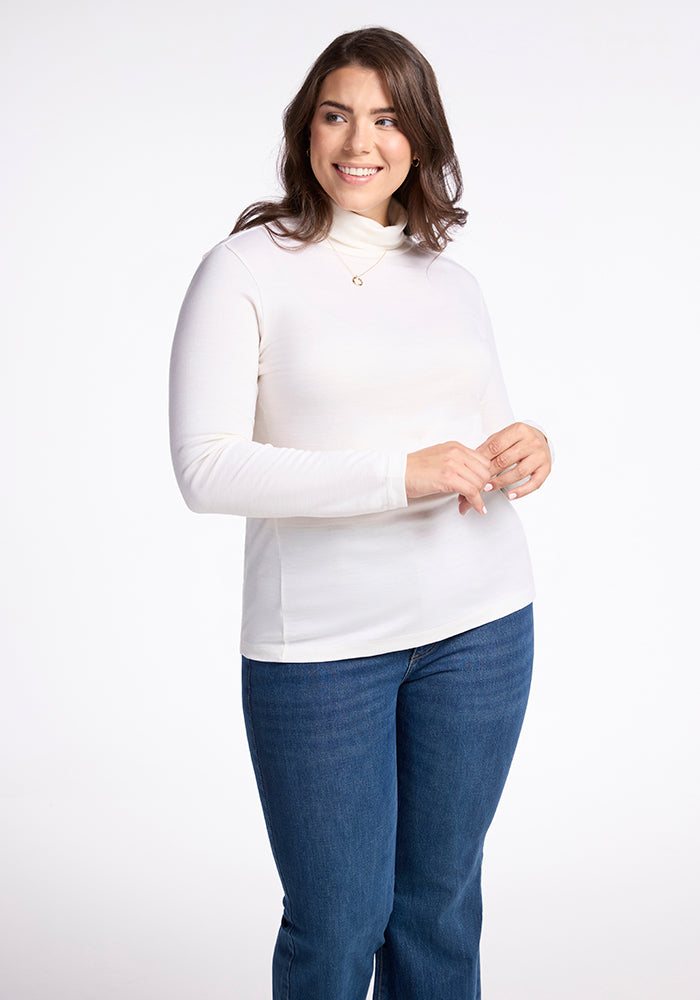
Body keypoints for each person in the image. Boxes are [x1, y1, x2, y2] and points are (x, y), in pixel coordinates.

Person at [169, 26, 551, 1000]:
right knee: (336, 926)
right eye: (337, 114)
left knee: (437, 912)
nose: (359, 142)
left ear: (417, 139)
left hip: (481, 626)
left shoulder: (450, 279)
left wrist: (520, 449)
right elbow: (206, 469)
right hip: (320, 651)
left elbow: (476, 440)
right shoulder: (245, 268)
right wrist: (398, 476)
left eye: (386, 119)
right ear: (306, 129)